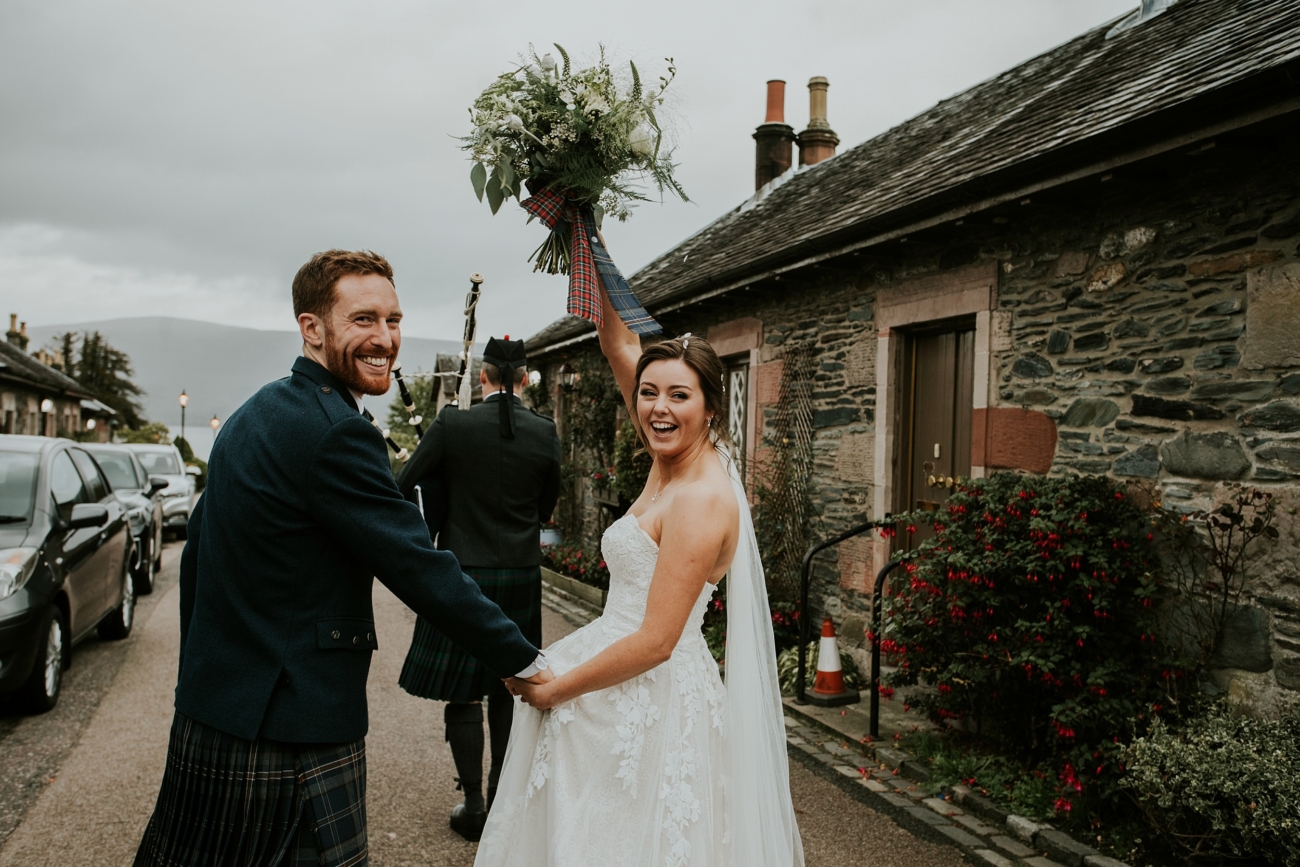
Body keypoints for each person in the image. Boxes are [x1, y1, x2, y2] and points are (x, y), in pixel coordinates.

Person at [133, 250, 552, 867]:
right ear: (312, 328)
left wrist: (202, 679)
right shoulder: (336, 431)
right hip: (291, 723)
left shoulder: (254, 414)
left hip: (217, 708)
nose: (384, 338)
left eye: (393, 319)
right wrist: (524, 661)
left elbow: (197, 559)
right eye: (363, 320)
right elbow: (414, 562)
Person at [476, 279, 805, 865]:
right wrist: (583, 226)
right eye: (647, 393)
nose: (657, 407)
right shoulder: (669, 453)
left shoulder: (701, 497)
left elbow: (657, 641)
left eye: (678, 395)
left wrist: (556, 689)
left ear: (710, 404)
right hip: (612, 664)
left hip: (657, 695)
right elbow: (616, 340)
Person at [393, 335, 561, 842]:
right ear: (526, 379)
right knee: (510, 683)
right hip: (519, 572)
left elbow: (404, 486)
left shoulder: (453, 424)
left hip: (460, 573)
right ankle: (503, 802)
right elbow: (546, 508)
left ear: (482, 377)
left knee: (463, 693)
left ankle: (473, 804)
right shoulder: (544, 431)